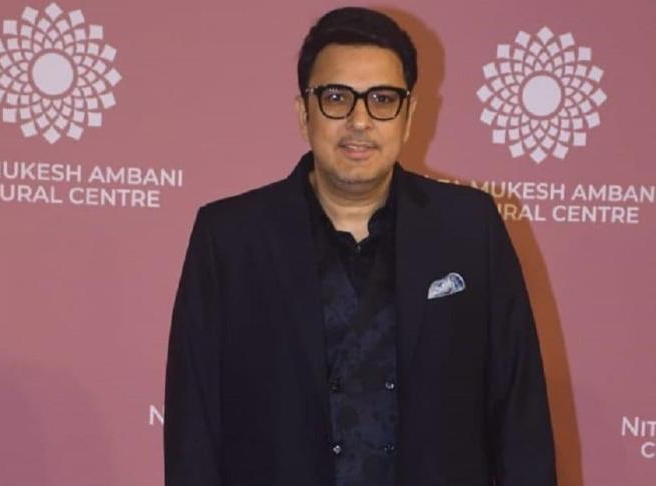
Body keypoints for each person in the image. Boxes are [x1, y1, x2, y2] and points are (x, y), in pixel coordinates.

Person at [164, 6, 556, 486]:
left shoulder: (470, 229)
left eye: (382, 99)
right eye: (336, 97)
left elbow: (519, 415)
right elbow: (194, 425)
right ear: (304, 113)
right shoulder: (229, 238)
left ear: (408, 117)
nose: (360, 120)